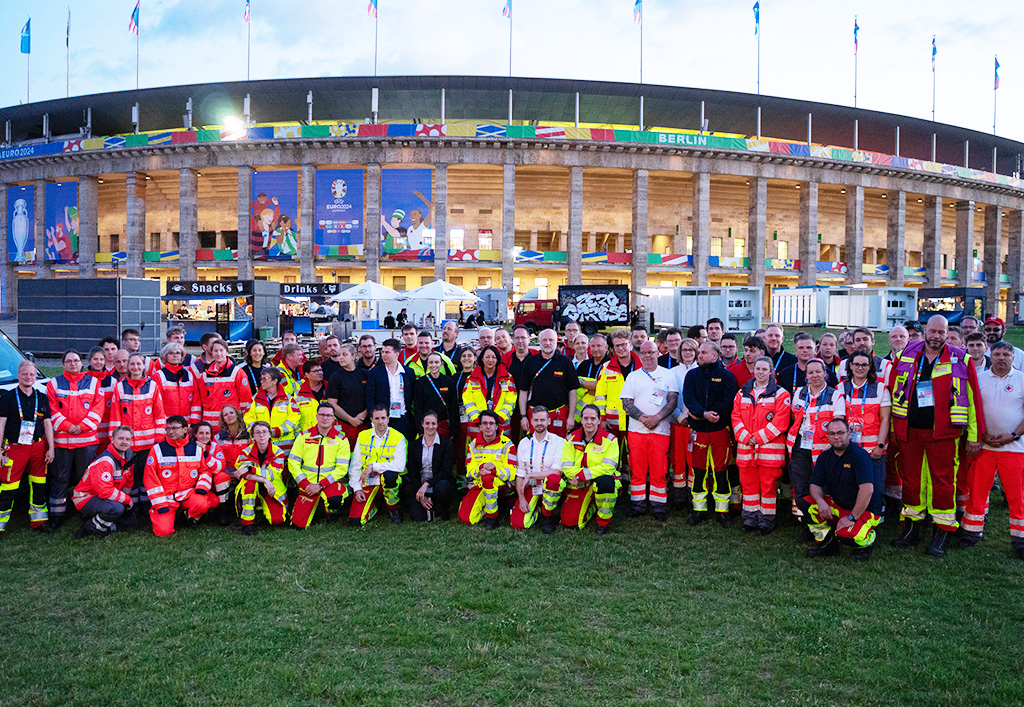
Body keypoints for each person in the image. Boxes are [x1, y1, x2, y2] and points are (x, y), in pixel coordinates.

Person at [889, 315, 983, 558]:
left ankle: (942, 531)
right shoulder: (905, 355)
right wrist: (893, 431)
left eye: (941, 332)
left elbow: (973, 400)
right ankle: (911, 528)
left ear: (946, 333)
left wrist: (974, 434)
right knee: (910, 480)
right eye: (933, 331)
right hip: (910, 432)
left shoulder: (961, 359)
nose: (937, 336)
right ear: (925, 331)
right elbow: (891, 396)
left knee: (942, 482)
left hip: (943, 433)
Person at [958, 341, 1024, 558]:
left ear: (1014, 357)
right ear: (990, 355)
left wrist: (1013, 435)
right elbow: (971, 409)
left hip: (1014, 448)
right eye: (997, 354)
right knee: (977, 491)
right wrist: (981, 434)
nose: (1001, 358)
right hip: (983, 446)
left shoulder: (1022, 379)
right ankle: (971, 534)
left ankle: (1020, 540)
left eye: (1006, 354)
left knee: (1017, 496)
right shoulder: (979, 378)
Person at [800, 418, 883, 561]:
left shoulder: (859, 455)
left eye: (840, 432)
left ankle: (867, 541)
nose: (836, 437)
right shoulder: (825, 456)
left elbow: (867, 490)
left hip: (864, 509)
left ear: (849, 433)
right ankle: (828, 543)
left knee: (847, 536)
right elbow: (815, 485)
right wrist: (821, 502)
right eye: (832, 433)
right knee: (806, 502)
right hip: (839, 506)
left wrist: (852, 518)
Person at [785, 358, 846, 537]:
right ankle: (809, 524)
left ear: (825, 373)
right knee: (801, 487)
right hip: (800, 448)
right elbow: (793, 417)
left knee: (823, 489)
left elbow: (839, 424)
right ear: (806, 376)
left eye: (818, 371)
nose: (814, 375)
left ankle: (827, 526)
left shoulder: (835, 395)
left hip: (824, 450)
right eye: (810, 372)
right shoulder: (799, 393)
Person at [680, 341, 738, 527]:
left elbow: (728, 400)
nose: (700, 355)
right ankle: (699, 510)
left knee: (721, 471)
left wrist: (715, 414)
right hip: (699, 431)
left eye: (704, 352)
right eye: (699, 352)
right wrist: (703, 414)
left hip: (720, 430)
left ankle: (722, 512)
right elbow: (689, 398)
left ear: (715, 355)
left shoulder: (727, 376)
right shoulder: (692, 375)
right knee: (698, 472)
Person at [731, 356, 791, 534]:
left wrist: (757, 438)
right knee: (748, 486)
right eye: (758, 369)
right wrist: (745, 436)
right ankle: (750, 517)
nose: (760, 372)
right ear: (753, 370)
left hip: (769, 453)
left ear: (771, 371)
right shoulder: (742, 393)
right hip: (746, 451)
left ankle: (766, 519)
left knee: (768, 487)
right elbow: (735, 417)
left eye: (765, 369)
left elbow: (781, 422)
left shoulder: (781, 394)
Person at [621, 340, 679, 520]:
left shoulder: (668, 375)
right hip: (637, 430)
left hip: (660, 430)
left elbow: (672, 400)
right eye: (644, 352)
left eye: (651, 352)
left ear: (658, 353)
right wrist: (643, 418)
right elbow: (626, 403)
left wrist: (656, 418)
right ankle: (638, 504)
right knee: (637, 469)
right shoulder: (633, 376)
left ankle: (659, 505)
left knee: (659, 469)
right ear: (639, 354)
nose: (647, 356)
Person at [47, 350, 103, 529]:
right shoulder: (54, 384)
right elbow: (51, 409)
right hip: (62, 442)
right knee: (60, 478)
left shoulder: (94, 383)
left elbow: (98, 408)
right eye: (69, 361)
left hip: (86, 441)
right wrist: (67, 426)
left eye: (76, 361)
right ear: (63, 364)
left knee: (85, 479)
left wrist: (82, 426)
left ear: (81, 363)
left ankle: (85, 511)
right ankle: (57, 514)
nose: (73, 364)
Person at [0, 361, 55, 535]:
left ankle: (38, 521)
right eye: (25, 374)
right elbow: (1, 425)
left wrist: (50, 448)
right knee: (8, 486)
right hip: (15, 448)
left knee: (39, 484)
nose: (29, 377)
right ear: (18, 375)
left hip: (38, 446)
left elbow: (48, 425)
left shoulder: (42, 396)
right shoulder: (8, 397)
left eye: (32, 374)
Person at [143, 415, 218, 537]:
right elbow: (150, 479)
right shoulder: (157, 449)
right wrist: (160, 504)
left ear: (185, 430)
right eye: (168, 428)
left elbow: (205, 471)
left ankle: (188, 517)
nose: (171, 432)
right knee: (163, 532)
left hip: (188, 494)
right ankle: (172, 515)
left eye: (175, 428)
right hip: (166, 498)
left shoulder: (196, 448)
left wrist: (201, 489)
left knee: (203, 503)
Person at [288, 403, 352, 528]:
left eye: (329, 415)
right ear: (316, 416)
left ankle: (331, 512)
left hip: (330, 483)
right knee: (297, 526)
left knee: (335, 500)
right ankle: (314, 509)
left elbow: (341, 469)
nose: (325, 418)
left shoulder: (341, 440)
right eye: (322, 414)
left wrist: (320, 485)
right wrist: (306, 484)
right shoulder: (303, 437)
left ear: (334, 418)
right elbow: (293, 463)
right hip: (307, 485)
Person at [840, 351, 892, 505]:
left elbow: (885, 419)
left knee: (874, 487)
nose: (860, 368)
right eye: (856, 364)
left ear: (870, 367)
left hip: (873, 449)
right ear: (850, 365)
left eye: (864, 364)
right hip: (850, 448)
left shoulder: (881, 388)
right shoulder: (841, 388)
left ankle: (874, 518)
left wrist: (880, 446)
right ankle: (854, 518)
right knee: (850, 485)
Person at [561, 404, 621, 535]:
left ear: (599, 420)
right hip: (579, 484)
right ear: (581, 420)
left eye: (593, 418)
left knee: (606, 482)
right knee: (571, 523)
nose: (589, 422)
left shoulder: (610, 440)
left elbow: (608, 468)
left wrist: (582, 475)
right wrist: (580, 478)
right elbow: (566, 467)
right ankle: (593, 506)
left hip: (599, 482)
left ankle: (603, 523)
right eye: (586, 418)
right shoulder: (570, 439)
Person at [347, 405, 409, 525]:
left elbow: (400, 466)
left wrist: (373, 466)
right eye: (376, 418)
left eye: (383, 418)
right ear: (371, 420)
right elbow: (355, 466)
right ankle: (375, 505)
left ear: (388, 419)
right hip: (367, 482)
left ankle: (393, 508)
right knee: (355, 521)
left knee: (390, 477)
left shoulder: (398, 437)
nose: (380, 422)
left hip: (388, 482)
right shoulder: (363, 436)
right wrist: (357, 488)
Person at [72, 425, 134, 538]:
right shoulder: (106, 461)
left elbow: (128, 481)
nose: (124, 442)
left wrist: (125, 501)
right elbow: (105, 490)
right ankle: (92, 527)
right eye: (120, 438)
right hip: (85, 497)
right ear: (112, 439)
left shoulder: (127, 458)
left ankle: (104, 522)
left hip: (102, 497)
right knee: (116, 509)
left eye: (128, 439)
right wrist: (126, 500)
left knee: (131, 521)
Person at [459, 410, 517, 529]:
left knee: (488, 478)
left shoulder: (507, 444)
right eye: (484, 423)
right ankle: (492, 506)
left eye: (491, 423)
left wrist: (495, 471)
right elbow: (469, 470)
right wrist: (479, 469)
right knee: (467, 519)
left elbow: (512, 473)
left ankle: (492, 519)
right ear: (480, 426)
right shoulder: (473, 445)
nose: (488, 426)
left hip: (502, 485)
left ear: (497, 426)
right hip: (480, 484)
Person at [513, 407, 566, 533]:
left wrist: (531, 475)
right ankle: (536, 510)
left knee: (554, 480)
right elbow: (520, 475)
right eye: (536, 420)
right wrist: (521, 498)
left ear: (549, 421)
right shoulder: (524, 443)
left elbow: (556, 472)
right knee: (518, 524)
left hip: (550, 486)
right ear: (531, 421)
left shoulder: (559, 442)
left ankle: (547, 516)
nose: (539, 423)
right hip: (532, 487)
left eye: (542, 420)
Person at [518, 329, 579, 437]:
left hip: (558, 414)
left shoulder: (565, 362)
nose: (548, 343)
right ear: (539, 342)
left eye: (551, 340)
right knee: (535, 446)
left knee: (559, 448)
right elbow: (523, 391)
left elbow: (572, 391)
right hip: (535, 415)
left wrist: (571, 416)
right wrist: (523, 416)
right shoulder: (530, 362)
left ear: (556, 342)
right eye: (544, 340)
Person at [233, 421, 288, 536]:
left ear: (269, 434)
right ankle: (247, 524)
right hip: (254, 488)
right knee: (250, 483)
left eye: (264, 432)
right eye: (257, 432)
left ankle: (262, 509)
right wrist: (264, 480)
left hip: (272, 491)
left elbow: (271, 474)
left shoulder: (279, 452)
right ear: (252, 436)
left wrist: (250, 468)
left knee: (277, 520)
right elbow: (244, 475)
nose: (261, 435)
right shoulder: (245, 452)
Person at [406, 411, 456, 522]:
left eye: (433, 424)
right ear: (422, 424)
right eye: (427, 423)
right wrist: (420, 490)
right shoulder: (414, 445)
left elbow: (446, 471)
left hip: (438, 483)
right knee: (418, 517)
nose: (430, 426)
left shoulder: (446, 444)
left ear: (437, 425)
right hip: (420, 484)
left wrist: (427, 484)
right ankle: (428, 505)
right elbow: (412, 472)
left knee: (443, 487)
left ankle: (442, 508)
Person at [668, 338, 701, 503]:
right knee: (678, 459)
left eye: (691, 350)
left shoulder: (701, 371)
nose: (688, 353)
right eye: (684, 350)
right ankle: (679, 496)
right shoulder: (672, 372)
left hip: (696, 423)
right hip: (677, 422)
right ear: (679, 352)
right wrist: (679, 415)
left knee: (694, 459)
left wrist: (693, 417)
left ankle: (694, 496)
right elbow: (669, 398)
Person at [595, 329, 641, 444]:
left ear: (630, 345)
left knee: (633, 456)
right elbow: (600, 395)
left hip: (637, 420)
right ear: (613, 348)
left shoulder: (642, 366)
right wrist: (602, 418)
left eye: (623, 345)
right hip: (613, 422)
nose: (620, 348)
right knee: (614, 456)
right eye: (617, 346)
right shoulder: (606, 368)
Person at [365, 338, 416, 439]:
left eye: (387, 352)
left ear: (396, 354)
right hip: (383, 421)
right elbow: (370, 398)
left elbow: (413, 396)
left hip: (403, 419)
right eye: (382, 352)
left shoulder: (408, 372)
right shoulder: (375, 373)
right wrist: (373, 420)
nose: (383, 355)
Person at [199, 339, 253, 432]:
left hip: (231, 425)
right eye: (215, 351)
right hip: (210, 426)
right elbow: (202, 401)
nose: (218, 353)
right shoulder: (205, 375)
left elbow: (246, 400)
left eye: (221, 350)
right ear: (211, 352)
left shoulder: (237, 373)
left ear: (227, 352)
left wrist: (243, 422)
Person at [464, 345, 517, 439]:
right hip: (477, 427)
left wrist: (498, 418)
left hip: (500, 426)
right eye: (487, 357)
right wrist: (479, 419)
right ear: (482, 359)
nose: (490, 360)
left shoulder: (507, 378)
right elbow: (468, 401)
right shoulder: (472, 378)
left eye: (493, 357)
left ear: (497, 359)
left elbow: (511, 401)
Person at [245, 368, 302, 454]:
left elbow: (294, 420)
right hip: (262, 446)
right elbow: (248, 419)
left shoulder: (288, 400)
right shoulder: (255, 400)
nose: (261, 381)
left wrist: (278, 431)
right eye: (261, 378)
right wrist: (260, 432)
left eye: (265, 378)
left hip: (285, 447)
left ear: (275, 381)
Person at [327, 344, 369, 446]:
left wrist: (364, 414)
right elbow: (332, 403)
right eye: (339, 355)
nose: (341, 357)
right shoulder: (335, 377)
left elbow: (372, 397)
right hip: (344, 424)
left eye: (345, 354)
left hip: (365, 423)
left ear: (354, 356)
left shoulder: (365, 374)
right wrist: (350, 419)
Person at [192, 420, 232, 524]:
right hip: (194, 483)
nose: (204, 436)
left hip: (213, 483)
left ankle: (222, 512)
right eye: (201, 433)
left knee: (222, 476)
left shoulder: (215, 446)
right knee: (212, 502)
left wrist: (205, 453)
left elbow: (219, 467)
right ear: (195, 434)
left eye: (207, 433)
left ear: (211, 435)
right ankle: (193, 515)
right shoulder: (188, 446)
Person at [152, 342, 201, 426]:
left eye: (178, 353)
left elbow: (196, 402)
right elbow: (157, 405)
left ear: (182, 356)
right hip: (167, 425)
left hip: (187, 426)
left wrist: (194, 424)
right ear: (165, 356)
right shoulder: (158, 376)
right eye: (171, 353)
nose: (175, 355)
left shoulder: (189, 375)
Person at [502, 326, 537, 441]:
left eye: (523, 337)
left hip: (534, 408)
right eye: (517, 338)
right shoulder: (505, 359)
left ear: (529, 339)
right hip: (511, 409)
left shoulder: (537, 357)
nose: (520, 341)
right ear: (512, 340)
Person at [413, 352, 459, 437]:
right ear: (427, 364)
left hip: (443, 424)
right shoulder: (421, 383)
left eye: (436, 362)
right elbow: (418, 407)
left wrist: (453, 430)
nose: (434, 365)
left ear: (441, 364)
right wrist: (420, 430)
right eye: (431, 362)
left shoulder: (448, 382)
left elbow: (453, 407)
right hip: (426, 425)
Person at [84, 346, 116, 454]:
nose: (99, 362)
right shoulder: (83, 380)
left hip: (107, 433)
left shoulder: (113, 382)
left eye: (101, 359)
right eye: (95, 359)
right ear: (90, 360)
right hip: (88, 432)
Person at [453, 348, 478, 485]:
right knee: (461, 449)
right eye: (463, 356)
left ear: (475, 358)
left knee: (475, 449)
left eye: (470, 356)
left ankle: (474, 479)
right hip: (460, 418)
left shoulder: (480, 375)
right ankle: (461, 480)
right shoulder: (456, 376)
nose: (466, 358)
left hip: (476, 419)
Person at [575, 334, 608, 422]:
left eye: (599, 346)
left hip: (603, 412)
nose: (595, 349)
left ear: (606, 347)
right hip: (583, 411)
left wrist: (583, 384)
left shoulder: (611, 365)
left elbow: (603, 387)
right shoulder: (584, 365)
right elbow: (574, 384)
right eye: (593, 346)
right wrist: (590, 386)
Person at [216, 405, 250, 470]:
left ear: (237, 415)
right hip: (226, 471)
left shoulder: (248, 435)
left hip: (244, 471)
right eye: (226, 415)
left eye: (231, 413)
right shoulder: (218, 438)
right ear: (224, 420)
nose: (229, 416)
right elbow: (217, 460)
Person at [296, 360, 327, 431]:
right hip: (308, 435)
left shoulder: (329, 388)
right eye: (315, 371)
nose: (320, 373)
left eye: (320, 370)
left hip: (329, 433)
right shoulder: (299, 393)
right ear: (307, 374)